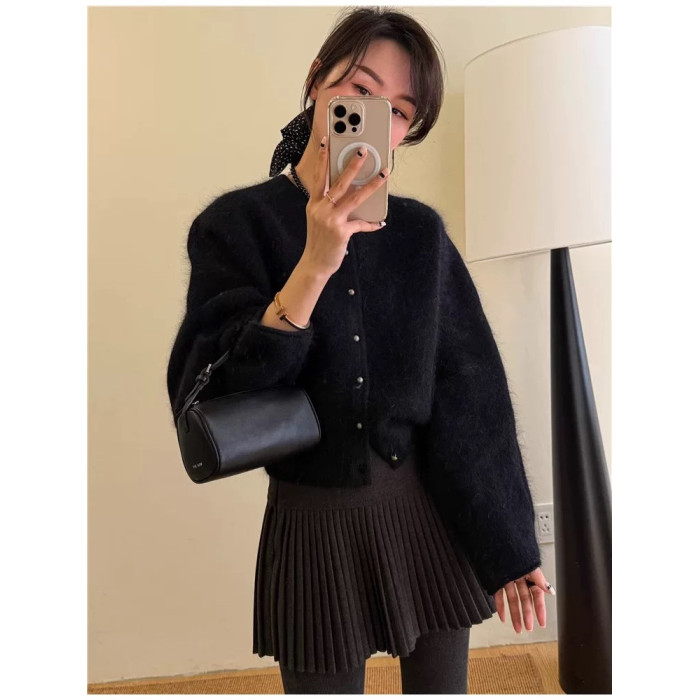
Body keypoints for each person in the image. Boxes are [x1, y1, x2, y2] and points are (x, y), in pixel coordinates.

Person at [166, 7, 554, 695]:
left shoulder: (420, 235)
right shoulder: (234, 226)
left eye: (399, 111)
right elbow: (218, 391)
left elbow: (471, 395)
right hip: (313, 529)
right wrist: (314, 265)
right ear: (317, 81)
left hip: (427, 518)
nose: (378, 116)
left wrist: (508, 543)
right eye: (361, 90)